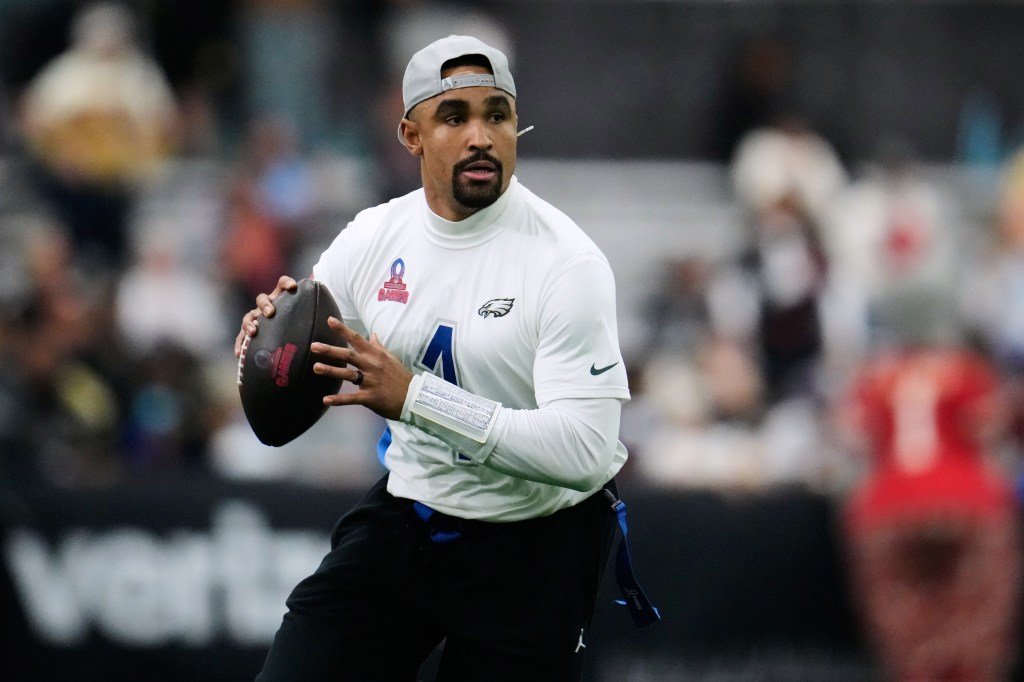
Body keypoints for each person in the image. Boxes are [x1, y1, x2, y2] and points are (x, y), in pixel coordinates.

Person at [234, 35, 656, 679]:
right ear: (412, 135)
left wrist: (416, 398)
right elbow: (302, 347)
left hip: (532, 545)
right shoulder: (373, 238)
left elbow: (588, 452)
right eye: (454, 117)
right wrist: (262, 340)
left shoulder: (566, 263)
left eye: (497, 115)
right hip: (413, 515)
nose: (481, 137)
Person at [838, 344, 1022, 681]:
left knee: (905, 620)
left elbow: (852, 439)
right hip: (969, 501)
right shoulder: (967, 371)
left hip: (887, 505)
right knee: (978, 617)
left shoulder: (875, 378)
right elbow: (991, 429)